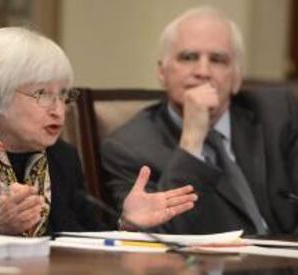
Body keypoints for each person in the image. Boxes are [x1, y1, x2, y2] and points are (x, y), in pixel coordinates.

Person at [0, 27, 197, 235]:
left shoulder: (61, 158)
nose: (58, 109)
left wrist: (125, 223)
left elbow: (81, 243)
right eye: (42, 94)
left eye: (63, 94)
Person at [102, 6, 298, 235]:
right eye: (188, 57)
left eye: (217, 59)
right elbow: (161, 237)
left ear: (236, 77)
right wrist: (192, 140)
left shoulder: (276, 113)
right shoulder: (128, 148)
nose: (203, 71)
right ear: (162, 73)